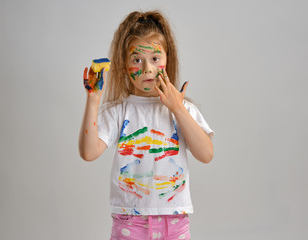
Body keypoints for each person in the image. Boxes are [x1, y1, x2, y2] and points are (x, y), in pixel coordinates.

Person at [79, 10, 214, 240]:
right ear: (124, 65)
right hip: (130, 223)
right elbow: (89, 152)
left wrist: (177, 108)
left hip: (175, 222)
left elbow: (206, 154)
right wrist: (93, 99)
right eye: (137, 60)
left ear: (167, 59)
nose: (148, 69)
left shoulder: (182, 110)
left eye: (155, 58)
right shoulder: (119, 111)